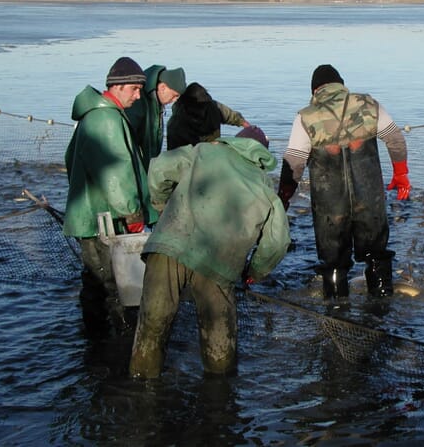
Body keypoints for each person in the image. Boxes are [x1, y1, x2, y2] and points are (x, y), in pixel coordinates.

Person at [129, 126, 290, 379]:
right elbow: (277, 242)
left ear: (234, 143)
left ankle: (140, 391)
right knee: (219, 343)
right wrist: (254, 272)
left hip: (169, 247)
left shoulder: (203, 151)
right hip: (219, 265)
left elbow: (159, 168)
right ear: (261, 154)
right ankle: (218, 401)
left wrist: (161, 205)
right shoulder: (264, 185)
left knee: (152, 327)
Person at [277, 64, 411, 299]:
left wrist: (284, 198)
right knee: (377, 255)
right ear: (341, 84)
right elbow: (395, 140)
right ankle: (382, 314)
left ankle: (338, 317)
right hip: (370, 201)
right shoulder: (369, 104)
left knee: (334, 262)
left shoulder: (306, 117)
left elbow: (294, 163)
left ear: (315, 91)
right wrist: (401, 174)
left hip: (330, 209)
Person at [63, 56, 158, 338]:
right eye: (134, 89)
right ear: (116, 87)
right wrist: (133, 215)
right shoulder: (106, 118)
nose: (139, 95)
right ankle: (117, 345)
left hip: (91, 215)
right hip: (102, 221)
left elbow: (70, 160)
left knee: (94, 283)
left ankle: (94, 342)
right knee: (113, 285)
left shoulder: (92, 115)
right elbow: (117, 176)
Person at [127, 64, 187, 170]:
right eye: (174, 95)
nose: (175, 100)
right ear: (163, 87)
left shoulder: (156, 102)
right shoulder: (138, 102)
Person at [166, 82, 251, 149]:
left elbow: (233, 117)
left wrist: (250, 129)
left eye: (204, 106)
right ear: (188, 106)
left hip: (214, 152)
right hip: (190, 159)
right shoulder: (175, 125)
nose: (202, 110)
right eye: (199, 107)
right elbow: (175, 155)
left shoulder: (213, 107)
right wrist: (207, 147)